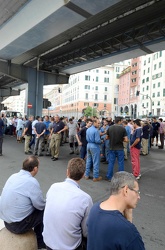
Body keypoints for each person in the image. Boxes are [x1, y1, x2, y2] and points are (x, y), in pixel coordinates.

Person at [43, 158, 93, 250]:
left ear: (67, 172)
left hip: (48, 243)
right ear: (82, 175)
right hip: (70, 247)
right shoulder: (85, 199)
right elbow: (86, 232)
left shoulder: (53, 187)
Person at [87, 171, 145, 250]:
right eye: (137, 192)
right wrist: (129, 222)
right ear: (126, 190)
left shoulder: (94, 209)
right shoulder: (128, 231)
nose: (138, 197)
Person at [0, 156, 46, 249]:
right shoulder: (32, 182)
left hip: (6, 221)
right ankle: (40, 241)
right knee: (43, 210)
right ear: (35, 168)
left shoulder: (13, 176)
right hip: (18, 226)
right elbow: (40, 205)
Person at [105, 117, 128, 181]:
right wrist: (121, 139)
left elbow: (107, 137)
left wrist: (112, 138)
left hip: (112, 147)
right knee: (121, 163)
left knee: (111, 162)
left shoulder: (110, 128)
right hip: (120, 148)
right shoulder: (123, 129)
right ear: (120, 121)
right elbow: (126, 140)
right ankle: (121, 178)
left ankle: (109, 176)